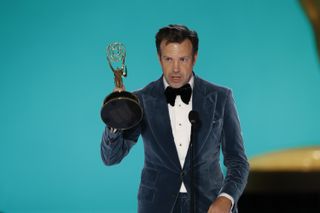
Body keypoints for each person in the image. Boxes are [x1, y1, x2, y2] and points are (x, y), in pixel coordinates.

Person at [101, 24, 249, 213]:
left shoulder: (221, 97)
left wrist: (226, 199)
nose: (176, 68)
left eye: (183, 59)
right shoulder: (141, 100)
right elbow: (110, 158)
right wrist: (116, 118)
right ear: (159, 59)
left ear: (194, 58)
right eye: (168, 59)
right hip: (156, 206)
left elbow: (238, 161)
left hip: (211, 205)